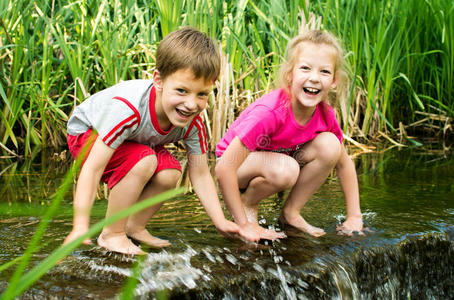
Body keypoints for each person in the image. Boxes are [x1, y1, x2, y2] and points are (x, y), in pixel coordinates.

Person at [63, 27, 257, 255]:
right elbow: (93, 169)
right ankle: (112, 234)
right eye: (182, 91)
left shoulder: (194, 124)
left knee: (171, 172)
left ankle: (135, 226)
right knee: (144, 162)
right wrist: (79, 226)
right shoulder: (128, 110)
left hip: (134, 140)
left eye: (202, 94)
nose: (191, 104)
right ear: (158, 80)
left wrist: (220, 221)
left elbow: (201, 174)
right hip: (88, 134)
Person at [215, 29, 363, 239]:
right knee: (287, 169)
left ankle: (291, 212)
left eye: (324, 72)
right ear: (289, 75)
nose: (314, 78)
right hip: (237, 167)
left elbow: (344, 164)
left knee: (332, 146)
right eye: (305, 68)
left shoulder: (325, 115)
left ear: (334, 81)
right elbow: (224, 168)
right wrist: (242, 224)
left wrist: (354, 216)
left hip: (277, 164)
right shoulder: (270, 113)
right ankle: (248, 204)